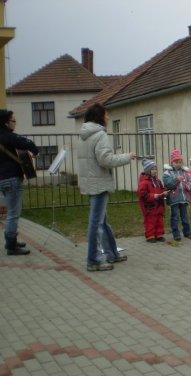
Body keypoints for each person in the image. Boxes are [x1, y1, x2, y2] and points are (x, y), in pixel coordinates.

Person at [77, 103, 136, 271]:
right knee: (96, 222)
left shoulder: (84, 134)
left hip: (90, 183)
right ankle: (94, 260)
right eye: (106, 114)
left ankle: (111, 253)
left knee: (102, 221)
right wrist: (127, 156)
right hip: (99, 184)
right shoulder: (100, 135)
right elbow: (106, 160)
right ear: (100, 116)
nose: (108, 117)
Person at [0, 109, 38, 255]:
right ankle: (11, 245)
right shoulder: (7, 136)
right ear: (6, 122)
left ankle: (12, 240)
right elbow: (27, 142)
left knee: (12, 212)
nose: (15, 123)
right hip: (12, 179)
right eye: (13, 121)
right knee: (13, 213)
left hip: (2, 179)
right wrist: (36, 152)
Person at [163, 150, 191, 241]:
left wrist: (190, 187)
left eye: (180, 162)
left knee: (185, 217)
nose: (178, 164)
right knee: (175, 217)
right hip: (174, 199)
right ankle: (176, 234)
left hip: (184, 198)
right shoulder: (167, 173)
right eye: (176, 162)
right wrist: (177, 179)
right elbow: (168, 184)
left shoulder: (185, 172)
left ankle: (187, 232)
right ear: (172, 162)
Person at [138, 159, 168, 243]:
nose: (155, 171)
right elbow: (142, 194)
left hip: (159, 204)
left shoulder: (158, 181)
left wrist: (164, 193)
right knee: (150, 221)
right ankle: (150, 236)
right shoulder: (144, 182)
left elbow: (161, 188)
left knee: (159, 220)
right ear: (148, 171)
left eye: (155, 169)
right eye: (152, 169)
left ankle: (159, 235)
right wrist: (153, 196)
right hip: (150, 206)